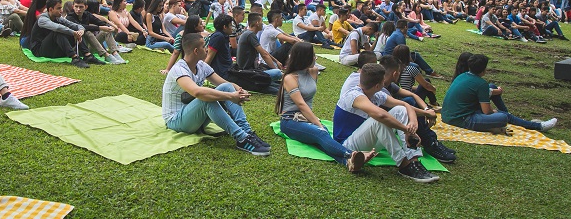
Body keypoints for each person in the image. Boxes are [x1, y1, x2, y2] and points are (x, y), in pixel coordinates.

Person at [162, 33, 271, 156]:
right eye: (204, 46)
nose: (207, 49)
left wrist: (238, 90)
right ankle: (242, 139)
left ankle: (247, 132)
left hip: (193, 118)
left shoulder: (201, 65)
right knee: (205, 99)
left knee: (226, 87)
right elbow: (197, 92)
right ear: (196, 51)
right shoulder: (179, 70)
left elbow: (224, 84)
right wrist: (231, 97)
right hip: (175, 121)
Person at [277, 42, 377, 172]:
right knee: (321, 134)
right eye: (313, 55)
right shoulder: (290, 78)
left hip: (306, 118)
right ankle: (352, 154)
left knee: (322, 138)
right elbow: (301, 105)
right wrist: (317, 122)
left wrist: (315, 122)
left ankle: (348, 163)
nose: (315, 58)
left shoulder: (313, 71)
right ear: (304, 58)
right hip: (290, 120)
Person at [333, 63, 439, 183]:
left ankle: (413, 160)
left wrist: (416, 121)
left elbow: (405, 105)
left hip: (367, 142)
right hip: (347, 146)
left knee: (400, 110)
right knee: (378, 120)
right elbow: (381, 115)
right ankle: (404, 164)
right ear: (378, 85)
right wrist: (406, 130)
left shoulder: (376, 94)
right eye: (383, 82)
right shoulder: (354, 95)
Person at [443, 54, 557, 133]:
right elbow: (486, 111)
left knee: (492, 88)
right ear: (483, 70)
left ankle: (510, 117)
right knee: (503, 117)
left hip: (448, 115)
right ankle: (538, 126)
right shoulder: (481, 83)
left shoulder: (462, 76)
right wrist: (495, 112)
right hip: (462, 119)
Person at [28, 0, 101, 68]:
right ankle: (75, 58)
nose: (61, 10)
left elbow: (75, 25)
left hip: (54, 50)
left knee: (74, 31)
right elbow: (58, 27)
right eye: (58, 8)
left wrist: (80, 30)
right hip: (40, 50)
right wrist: (74, 33)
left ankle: (87, 55)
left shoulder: (58, 18)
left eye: (61, 8)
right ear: (50, 9)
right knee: (58, 31)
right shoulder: (42, 19)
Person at [67, 0, 125, 64]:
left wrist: (109, 27)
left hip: (90, 47)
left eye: (81, 7)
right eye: (76, 7)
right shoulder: (70, 17)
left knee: (106, 31)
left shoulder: (87, 14)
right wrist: (100, 28)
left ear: (86, 7)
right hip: (77, 48)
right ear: (73, 7)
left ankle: (115, 53)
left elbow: (100, 22)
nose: (78, 9)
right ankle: (106, 55)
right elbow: (81, 27)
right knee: (87, 32)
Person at [205, 14, 234, 78]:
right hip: (223, 73)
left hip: (228, 70)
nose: (232, 28)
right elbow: (209, 57)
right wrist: (203, 74)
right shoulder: (218, 36)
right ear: (225, 27)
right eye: (230, 25)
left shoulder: (224, 35)